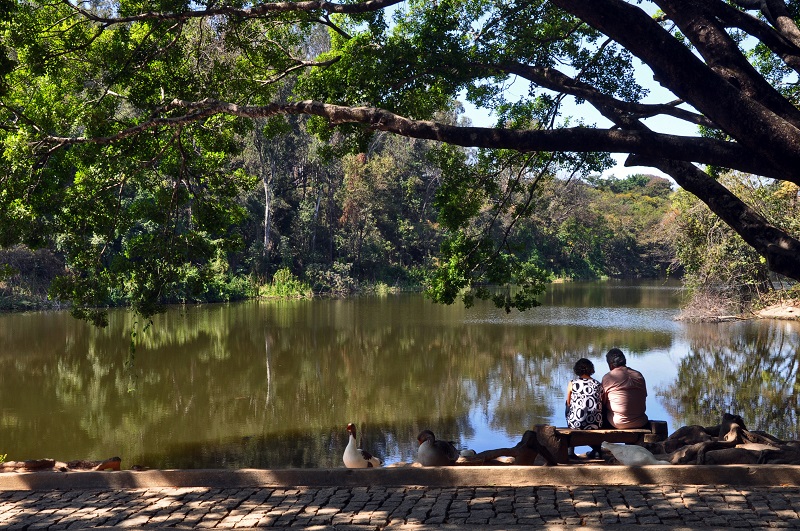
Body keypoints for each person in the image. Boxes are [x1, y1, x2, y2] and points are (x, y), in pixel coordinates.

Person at [564, 357, 603, 458]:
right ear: (591, 370)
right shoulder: (598, 384)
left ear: (577, 370)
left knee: (567, 407)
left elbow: (568, 403)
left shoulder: (572, 383)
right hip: (595, 424)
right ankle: (597, 450)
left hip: (576, 423)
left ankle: (570, 451)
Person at [601, 347, 648, 429]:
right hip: (641, 421)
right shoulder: (638, 375)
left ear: (611, 364)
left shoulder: (608, 377)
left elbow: (603, 401)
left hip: (618, 423)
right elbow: (644, 396)